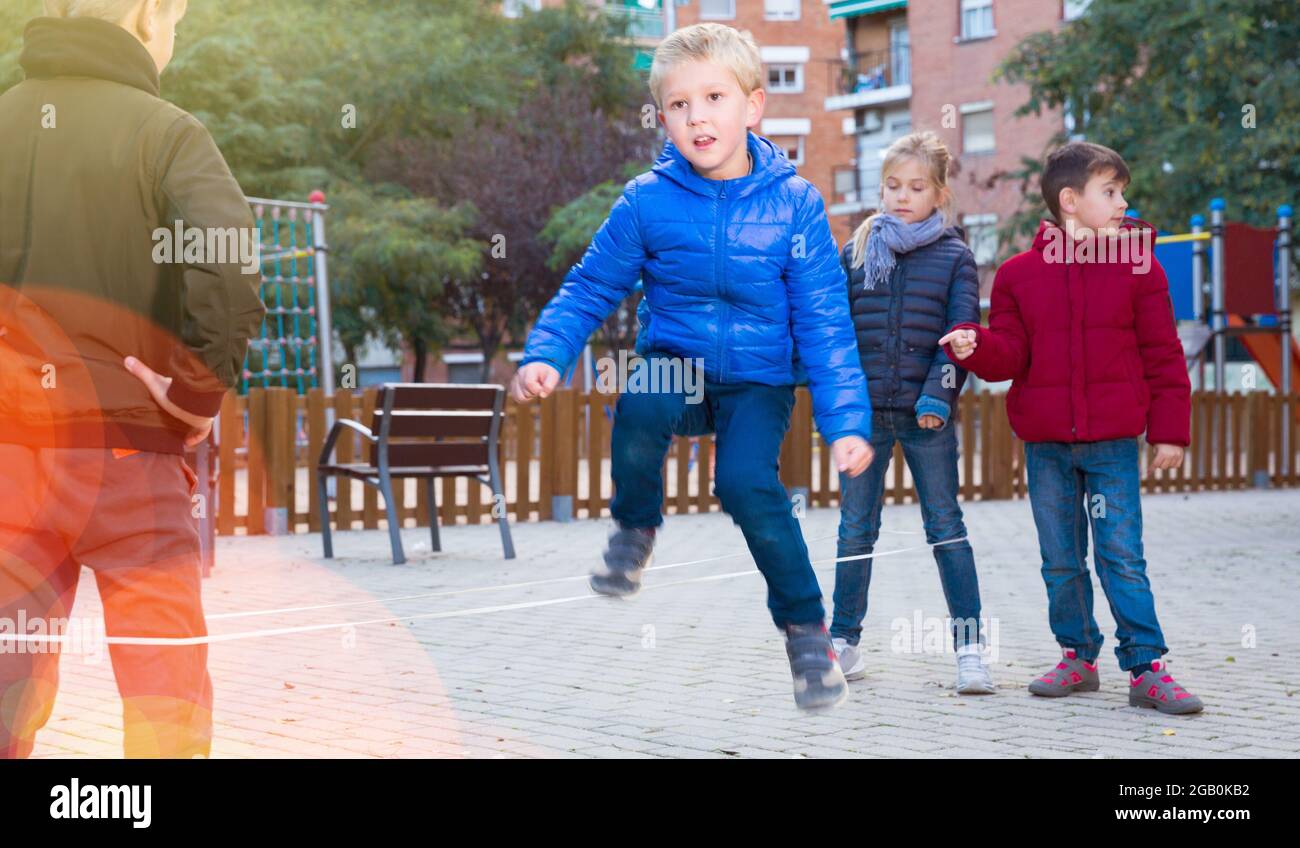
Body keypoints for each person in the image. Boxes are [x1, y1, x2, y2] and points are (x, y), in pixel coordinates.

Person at [510, 23, 874, 711]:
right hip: (678, 361)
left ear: (753, 107)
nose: (697, 116)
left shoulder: (795, 205)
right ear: (664, 118)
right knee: (643, 395)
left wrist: (845, 424)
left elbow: (826, 326)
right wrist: (547, 354)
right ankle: (635, 527)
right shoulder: (647, 201)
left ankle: (806, 632)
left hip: (759, 382)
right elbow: (590, 286)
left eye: (713, 97)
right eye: (679, 105)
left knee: (745, 485)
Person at [0, 0, 267, 757]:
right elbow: (228, 267)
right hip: (128, 458)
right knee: (164, 692)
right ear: (149, 15)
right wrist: (193, 393)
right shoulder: (168, 133)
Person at [940, 141, 1203, 714]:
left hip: (1112, 444)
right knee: (1060, 558)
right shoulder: (1017, 276)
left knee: (1121, 556)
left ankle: (1146, 667)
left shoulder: (1142, 270)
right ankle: (1078, 658)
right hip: (1048, 447)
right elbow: (1009, 356)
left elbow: (1163, 353)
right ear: (1070, 201)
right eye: (1109, 192)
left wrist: (1170, 432)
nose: (1122, 202)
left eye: (1121, 191)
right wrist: (974, 345)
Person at [829, 131, 993, 695]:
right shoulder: (855, 251)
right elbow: (833, 330)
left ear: (939, 194)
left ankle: (970, 650)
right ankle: (843, 643)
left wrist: (937, 395)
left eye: (916, 186)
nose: (902, 196)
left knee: (945, 527)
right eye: (893, 185)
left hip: (928, 416)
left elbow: (962, 335)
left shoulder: (955, 258)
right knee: (855, 527)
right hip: (865, 415)